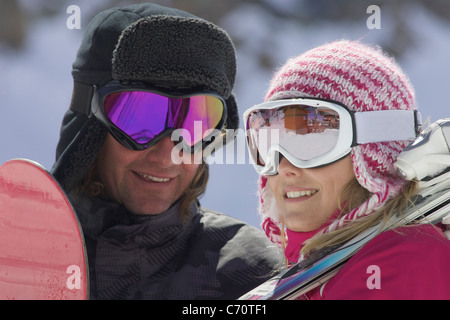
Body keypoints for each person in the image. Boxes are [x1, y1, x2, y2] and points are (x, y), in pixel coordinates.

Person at [50, 3, 280, 300]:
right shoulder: (19, 250)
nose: (166, 155)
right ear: (89, 130)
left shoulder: (253, 276)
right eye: (140, 118)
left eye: (196, 123)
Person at [243, 40, 450, 299]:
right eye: (270, 142)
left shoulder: (400, 264)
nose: (284, 167)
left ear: (374, 154)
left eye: (310, 140)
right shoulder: (315, 274)